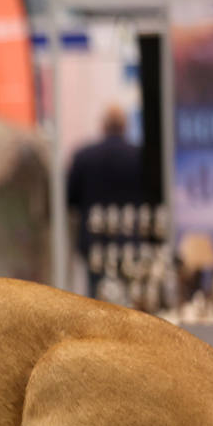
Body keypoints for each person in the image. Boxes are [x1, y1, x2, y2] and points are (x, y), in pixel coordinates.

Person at [66, 105, 146, 295]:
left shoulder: (83, 157)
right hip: (131, 240)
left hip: (95, 242)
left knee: (97, 298)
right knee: (131, 296)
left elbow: (70, 199)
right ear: (125, 126)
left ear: (103, 126)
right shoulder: (140, 157)